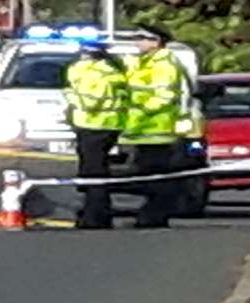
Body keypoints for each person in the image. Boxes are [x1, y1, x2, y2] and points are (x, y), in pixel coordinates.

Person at [121, 25, 190, 229]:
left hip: (157, 129)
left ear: (156, 42)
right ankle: (151, 215)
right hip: (142, 131)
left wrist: (140, 108)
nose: (137, 42)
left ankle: (155, 216)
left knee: (158, 177)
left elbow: (165, 96)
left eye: (142, 38)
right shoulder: (143, 63)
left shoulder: (165, 65)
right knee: (147, 176)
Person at [63, 40, 129, 229]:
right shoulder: (114, 71)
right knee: (98, 171)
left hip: (92, 125)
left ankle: (95, 216)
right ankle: (99, 213)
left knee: (93, 174)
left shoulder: (92, 74)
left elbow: (91, 102)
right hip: (110, 126)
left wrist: (70, 96)